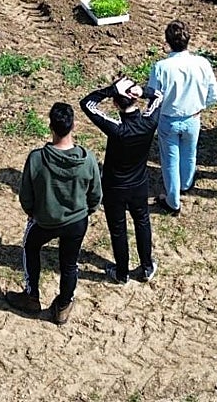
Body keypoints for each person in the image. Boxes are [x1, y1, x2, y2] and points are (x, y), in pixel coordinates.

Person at [6, 103, 102, 324]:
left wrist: (33, 213)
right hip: (77, 221)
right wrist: (84, 212)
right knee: (69, 264)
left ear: (51, 126)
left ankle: (31, 296)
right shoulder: (87, 159)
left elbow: (26, 197)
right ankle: (63, 306)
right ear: (73, 126)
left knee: (30, 247)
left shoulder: (37, 158)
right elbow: (96, 195)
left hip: (44, 221)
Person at [79, 78, 161, 285]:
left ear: (115, 104)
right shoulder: (148, 122)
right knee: (142, 222)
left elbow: (87, 103)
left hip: (115, 187)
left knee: (118, 229)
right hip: (139, 185)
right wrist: (144, 91)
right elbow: (158, 96)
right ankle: (146, 267)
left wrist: (110, 90)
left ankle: (121, 273)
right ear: (135, 100)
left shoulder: (116, 129)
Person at [147, 20, 217, 215]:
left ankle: (173, 201)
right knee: (189, 153)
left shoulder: (161, 67)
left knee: (170, 159)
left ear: (168, 41)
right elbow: (214, 93)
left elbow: (154, 95)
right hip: (193, 118)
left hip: (168, 119)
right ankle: (186, 184)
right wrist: (202, 106)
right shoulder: (202, 63)